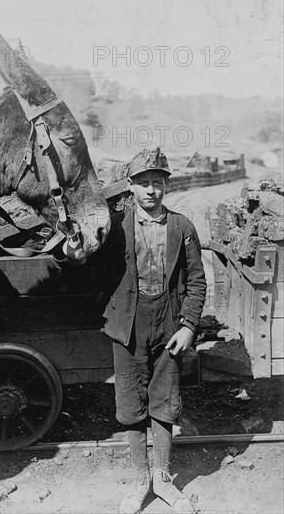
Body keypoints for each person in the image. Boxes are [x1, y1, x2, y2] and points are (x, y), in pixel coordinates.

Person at [102, 147, 207, 514]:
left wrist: (189, 326)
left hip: (168, 323)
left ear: (165, 186)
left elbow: (196, 281)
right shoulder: (115, 228)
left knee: (164, 401)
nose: (151, 190)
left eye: (157, 183)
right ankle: (139, 481)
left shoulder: (181, 226)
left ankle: (162, 480)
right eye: (143, 183)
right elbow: (89, 267)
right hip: (128, 324)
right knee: (131, 405)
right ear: (130, 187)